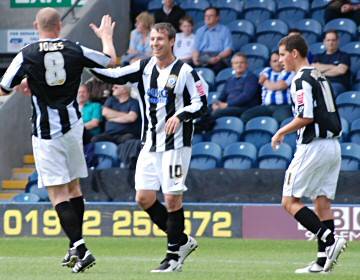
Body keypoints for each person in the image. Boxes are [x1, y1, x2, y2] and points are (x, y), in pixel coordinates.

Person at [0, 8, 116, 273]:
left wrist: (26, 81)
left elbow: (4, 86)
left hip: (46, 131)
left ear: (35, 25)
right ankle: (74, 246)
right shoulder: (73, 47)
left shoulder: (27, 53)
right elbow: (109, 61)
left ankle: (81, 247)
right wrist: (106, 36)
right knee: (74, 188)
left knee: (57, 193)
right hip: (74, 126)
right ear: (59, 25)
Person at [92, 22, 208, 272]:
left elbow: (202, 103)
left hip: (176, 145)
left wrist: (181, 115)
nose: (155, 44)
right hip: (150, 143)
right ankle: (182, 241)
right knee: (143, 198)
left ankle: (173, 257)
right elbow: (112, 74)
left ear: (172, 41)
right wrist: (86, 58)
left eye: (160, 39)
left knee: (172, 199)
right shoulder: (144, 67)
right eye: (152, 39)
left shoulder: (186, 71)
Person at [272, 34, 347, 274]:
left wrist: (280, 132)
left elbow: (306, 116)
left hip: (313, 146)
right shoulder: (319, 75)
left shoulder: (300, 80)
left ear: (294, 53)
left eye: (283, 54)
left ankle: (329, 239)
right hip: (333, 146)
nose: (280, 59)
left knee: (289, 201)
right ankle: (322, 261)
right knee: (322, 202)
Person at [241, 51, 293, 123]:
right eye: (274, 61)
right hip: (266, 106)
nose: (277, 63)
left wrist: (266, 83)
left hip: (284, 106)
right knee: (246, 116)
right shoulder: (267, 70)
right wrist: (273, 85)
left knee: (280, 118)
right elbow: (260, 80)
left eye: (280, 61)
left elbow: (281, 86)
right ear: (270, 63)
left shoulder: (290, 72)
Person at [211, 53, 259, 119]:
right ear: (232, 66)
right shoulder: (230, 79)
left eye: (241, 63)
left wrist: (227, 105)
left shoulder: (252, 78)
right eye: (236, 63)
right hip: (229, 106)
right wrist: (216, 103)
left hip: (244, 108)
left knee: (217, 113)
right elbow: (222, 95)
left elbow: (246, 96)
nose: (239, 65)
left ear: (247, 65)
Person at [192, 7, 233, 74]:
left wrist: (218, 57)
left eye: (210, 16)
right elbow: (195, 49)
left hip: (218, 57)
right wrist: (195, 60)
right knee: (188, 69)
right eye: (206, 16)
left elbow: (228, 50)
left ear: (217, 18)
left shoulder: (224, 30)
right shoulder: (200, 31)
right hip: (203, 57)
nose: (207, 18)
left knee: (216, 69)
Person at [312, 30, 351, 96]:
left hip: (336, 84)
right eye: (328, 40)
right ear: (324, 41)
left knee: (328, 92)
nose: (331, 43)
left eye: (333, 40)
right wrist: (333, 66)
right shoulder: (318, 57)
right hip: (319, 83)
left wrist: (321, 71)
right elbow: (314, 70)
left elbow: (341, 70)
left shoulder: (344, 55)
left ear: (338, 41)